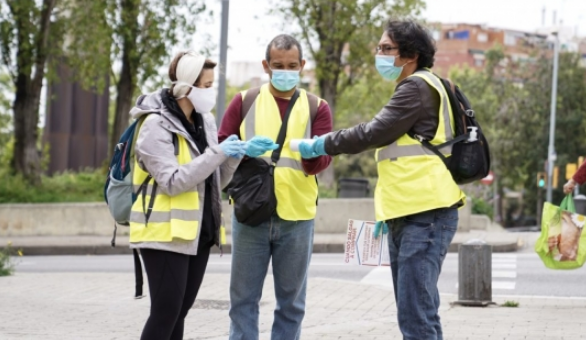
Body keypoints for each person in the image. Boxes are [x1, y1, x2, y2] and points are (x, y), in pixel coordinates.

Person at [299, 20, 466, 340]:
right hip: (414, 210)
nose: (379, 54)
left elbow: (373, 132)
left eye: (386, 48)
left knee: (416, 315)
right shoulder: (426, 85)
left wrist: (322, 143)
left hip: (426, 214)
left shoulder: (416, 88)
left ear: (410, 55)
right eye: (379, 48)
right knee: (420, 311)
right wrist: (388, 214)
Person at [218, 34, 333, 340]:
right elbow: (220, 148)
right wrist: (243, 149)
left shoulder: (317, 107)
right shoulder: (244, 101)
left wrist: (312, 156)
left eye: (292, 65)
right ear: (266, 65)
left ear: (302, 65)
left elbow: (325, 160)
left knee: (292, 305)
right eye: (278, 65)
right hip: (250, 214)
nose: (285, 71)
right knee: (242, 301)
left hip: (297, 217)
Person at [128, 51, 246, 340]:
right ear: (186, 86)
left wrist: (233, 158)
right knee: (165, 312)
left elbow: (212, 180)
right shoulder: (155, 125)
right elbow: (171, 181)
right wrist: (218, 152)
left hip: (198, 233)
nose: (210, 92)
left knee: (179, 312)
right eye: (205, 86)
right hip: (164, 235)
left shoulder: (204, 121)